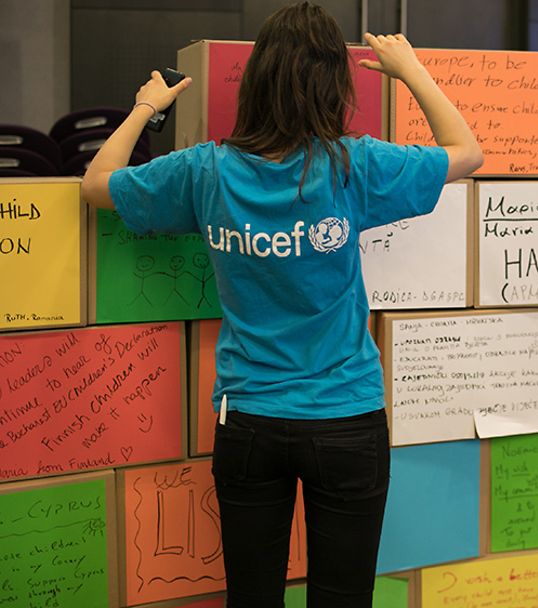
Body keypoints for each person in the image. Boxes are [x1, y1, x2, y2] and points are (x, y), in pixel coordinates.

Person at [80, 3, 482, 606]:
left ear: (260, 79)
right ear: (333, 85)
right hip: (347, 420)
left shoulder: (206, 172)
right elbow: (467, 152)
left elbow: (95, 185)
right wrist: (410, 69)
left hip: (249, 424)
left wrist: (146, 107)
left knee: (252, 597)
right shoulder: (355, 165)